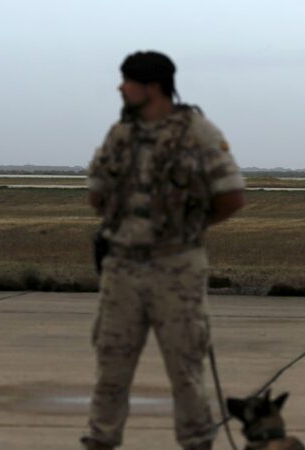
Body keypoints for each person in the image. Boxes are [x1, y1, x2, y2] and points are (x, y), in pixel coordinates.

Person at [81, 50, 245, 450]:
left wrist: (185, 230)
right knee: (111, 367)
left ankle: (196, 441)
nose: (120, 88)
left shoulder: (198, 133)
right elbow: (96, 194)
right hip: (122, 269)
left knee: (185, 369)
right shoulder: (120, 135)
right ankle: (100, 441)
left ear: (152, 86)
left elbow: (231, 197)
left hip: (176, 268)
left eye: (127, 81)